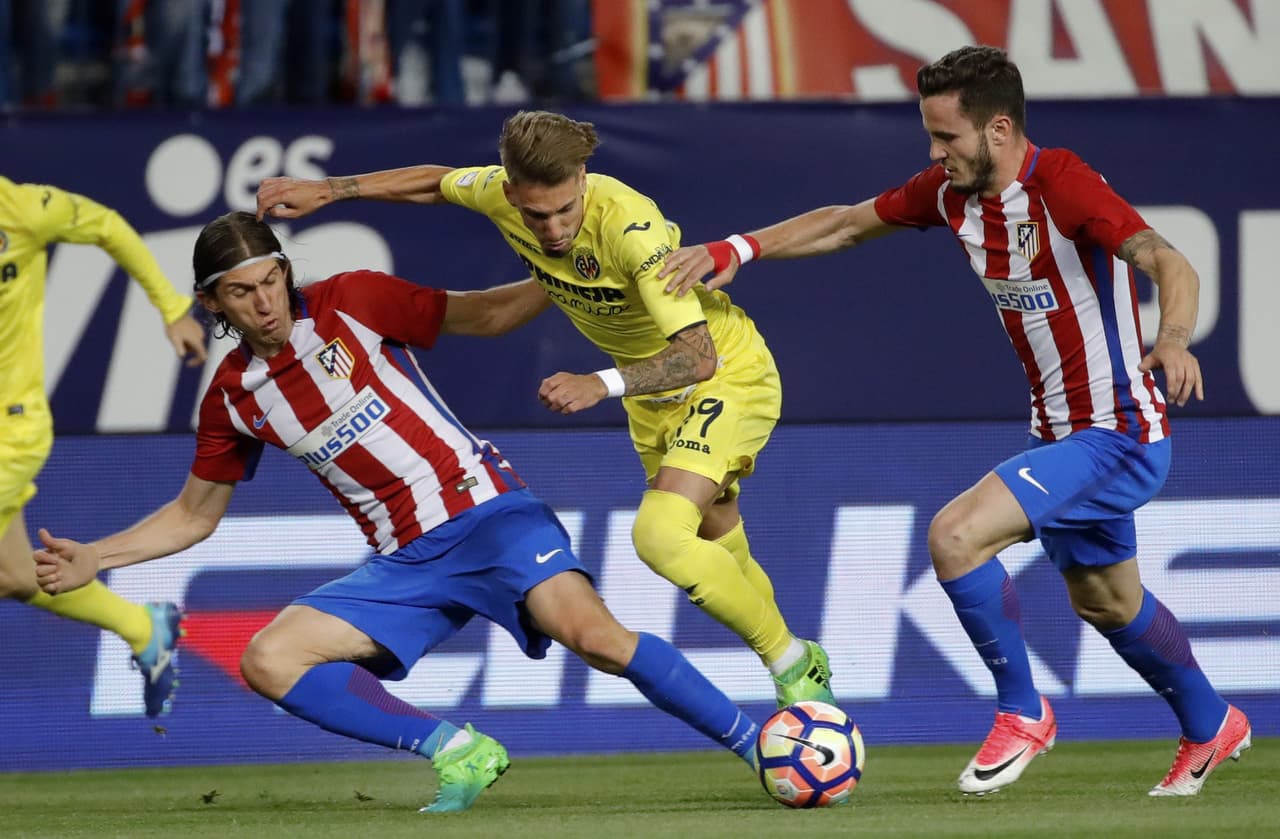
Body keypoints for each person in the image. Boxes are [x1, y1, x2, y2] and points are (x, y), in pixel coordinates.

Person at [658, 45, 1250, 798]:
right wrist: (735, 247)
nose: (936, 153)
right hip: (1060, 432)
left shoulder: (1062, 182)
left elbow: (1172, 263)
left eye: (949, 138)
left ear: (998, 130)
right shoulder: (949, 194)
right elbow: (843, 224)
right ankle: (1210, 721)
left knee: (955, 534)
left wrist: (1170, 339)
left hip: (1118, 430)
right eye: (931, 139)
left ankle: (1022, 712)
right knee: (1107, 600)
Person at [33, 211, 765, 814]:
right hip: (405, 562)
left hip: (490, 513)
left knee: (597, 638)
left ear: (286, 272)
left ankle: (762, 745)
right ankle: (457, 750)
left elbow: (484, 313)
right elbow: (194, 516)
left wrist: (566, 270)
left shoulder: (353, 298)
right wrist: (100, 556)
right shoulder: (234, 396)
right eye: (241, 291)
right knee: (269, 658)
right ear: (213, 303)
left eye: (272, 279)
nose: (265, 301)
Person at [255, 110, 836, 710]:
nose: (554, 229)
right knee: (720, 544)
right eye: (537, 214)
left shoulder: (632, 231)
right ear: (510, 192)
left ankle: (791, 662)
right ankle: (799, 667)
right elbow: (434, 182)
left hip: (726, 374)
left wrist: (598, 383)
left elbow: (698, 356)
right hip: (651, 397)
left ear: (583, 176)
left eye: (565, 209)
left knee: (660, 538)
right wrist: (331, 190)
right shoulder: (497, 194)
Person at [2, 175, 206, 716]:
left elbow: (109, 227)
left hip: (11, 432)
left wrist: (170, 309)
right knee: (19, 576)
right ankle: (144, 627)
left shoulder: (24, 209)